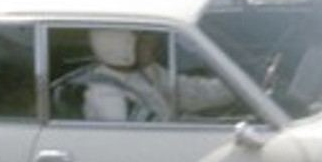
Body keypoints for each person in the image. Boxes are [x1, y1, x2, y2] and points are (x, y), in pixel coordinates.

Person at [80, 29, 236, 123]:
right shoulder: (107, 97)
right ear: (121, 47)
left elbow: (190, 92)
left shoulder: (146, 71)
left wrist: (236, 88)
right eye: (145, 42)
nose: (154, 46)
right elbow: (143, 144)